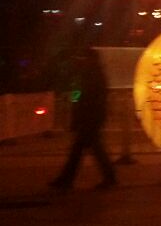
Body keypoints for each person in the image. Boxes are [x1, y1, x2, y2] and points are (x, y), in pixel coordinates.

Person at [49, 47, 117, 190]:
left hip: (90, 118)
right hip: (91, 118)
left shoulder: (91, 76)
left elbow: (86, 98)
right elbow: (83, 97)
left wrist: (79, 117)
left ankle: (67, 180)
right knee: (87, 150)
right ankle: (68, 179)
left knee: (83, 150)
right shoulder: (92, 75)